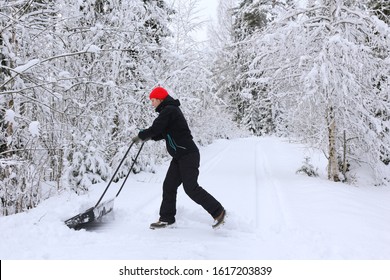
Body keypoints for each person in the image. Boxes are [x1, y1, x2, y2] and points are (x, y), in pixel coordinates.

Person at [132, 86, 226, 229]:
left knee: (191, 188)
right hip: (179, 157)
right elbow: (161, 133)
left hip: (188, 155)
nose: (151, 104)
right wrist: (147, 137)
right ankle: (166, 219)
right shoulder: (168, 111)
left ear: (159, 99)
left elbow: (156, 128)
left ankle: (218, 212)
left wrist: (142, 135)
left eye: (152, 100)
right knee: (169, 186)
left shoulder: (169, 110)